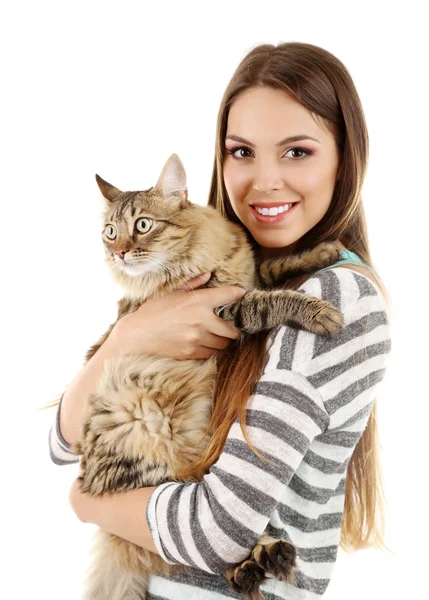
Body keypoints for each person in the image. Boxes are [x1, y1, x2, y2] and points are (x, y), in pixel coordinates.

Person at [48, 41, 392, 599]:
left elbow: (219, 531)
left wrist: (88, 502)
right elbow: (62, 441)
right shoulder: (237, 269)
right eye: (241, 152)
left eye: (297, 152)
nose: (264, 181)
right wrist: (128, 337)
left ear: (344, 157)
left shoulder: (338, 294)